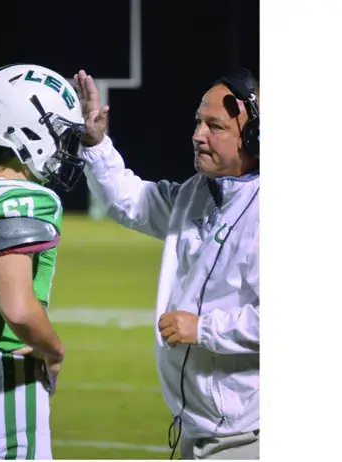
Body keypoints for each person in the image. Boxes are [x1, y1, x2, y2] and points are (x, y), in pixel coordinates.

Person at [74, 68, 260, 460]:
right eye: (198, 121)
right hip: (201, 427)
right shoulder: (197, 194)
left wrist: (203, 328)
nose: (198, 135)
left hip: (247, 436)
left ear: (255, 137)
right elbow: (130, 201)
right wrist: (95, 142)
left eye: (215, 126)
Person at [0, 64, 86, 459]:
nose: (63, 146)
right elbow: (17, 308)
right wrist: (54, 350)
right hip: (4, 379)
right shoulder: (23, 200)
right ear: (29, 132)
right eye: (58, 132)